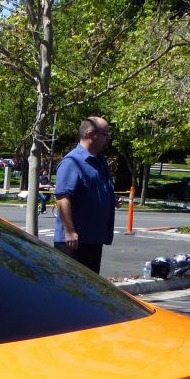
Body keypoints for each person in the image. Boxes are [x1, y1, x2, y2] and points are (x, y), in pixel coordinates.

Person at [53, 117, 115, 273]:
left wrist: (110, 200)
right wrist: (69, 231)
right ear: (90, 134)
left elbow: (95, 190)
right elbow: (62, 198)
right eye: (105, 133)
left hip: (94, 239)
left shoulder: (100, 162)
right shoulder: (72, 162)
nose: (108, 137)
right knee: (70, 290)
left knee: (89, 291)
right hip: (74, 242)